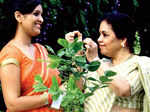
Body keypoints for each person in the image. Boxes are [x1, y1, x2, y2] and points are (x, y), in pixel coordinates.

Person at [65, 12, 146, 112]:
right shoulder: (102, 65)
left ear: (123, 40)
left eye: (105, 35)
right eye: (99, 34)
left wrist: (95, 60)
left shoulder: (140, 64)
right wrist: (77, 55)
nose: (99, 39)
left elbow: (123, 90)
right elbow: (76, 90)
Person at [0, 0, 63, 112]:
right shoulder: (11, 53)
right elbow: (12, 104)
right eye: (36, 14)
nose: (41, 19)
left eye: (41, 15)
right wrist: (50, 96)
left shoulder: (42, 50)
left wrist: (75, 53)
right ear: (19, 16)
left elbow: (58, 92)